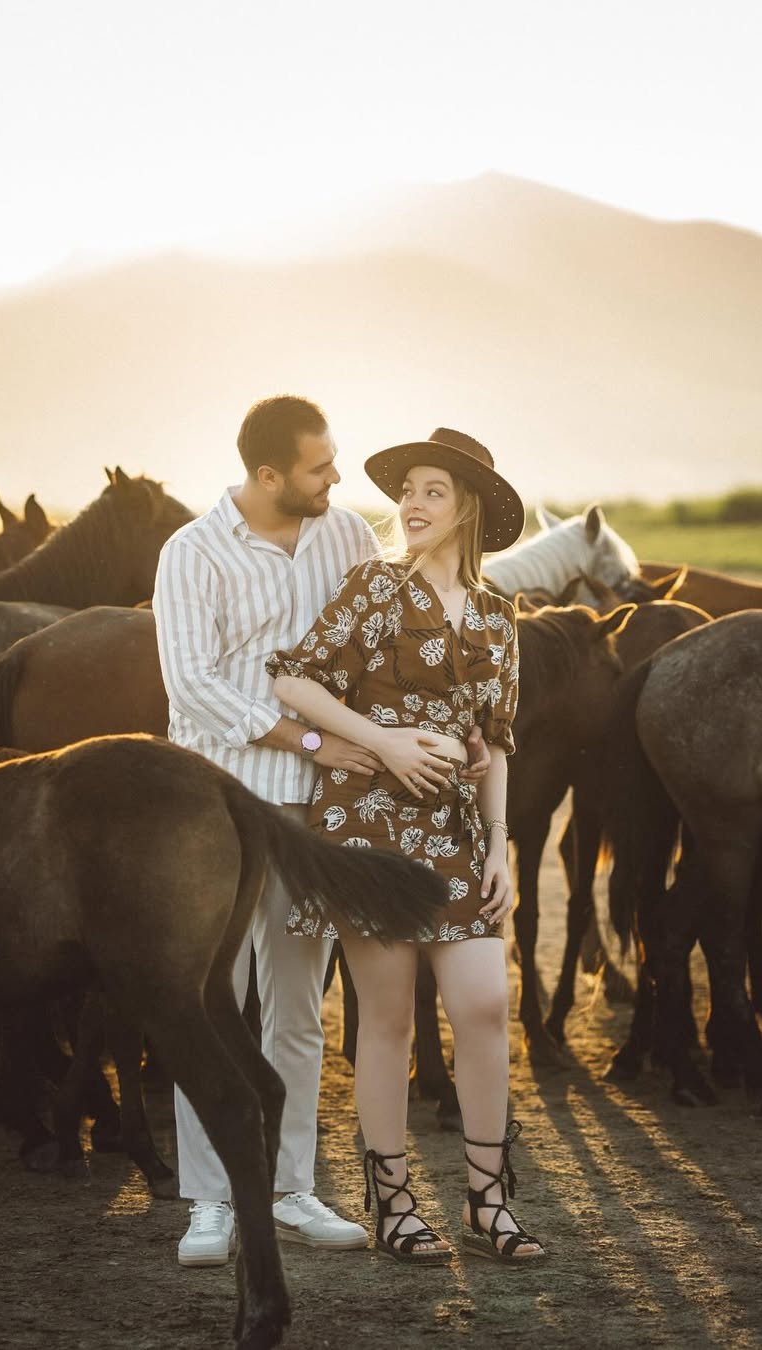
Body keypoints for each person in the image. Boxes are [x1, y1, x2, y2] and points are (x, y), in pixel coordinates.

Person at [152, 398, 490, 1267]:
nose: (337, 479)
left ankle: (291, 1185)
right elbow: (196, 688)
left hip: (321, 813)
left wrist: (443, 727)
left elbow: (382, 642)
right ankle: (212, 1200)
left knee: (298, 1009)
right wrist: (316, 738)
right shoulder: (191, 554)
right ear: (269, 477)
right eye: (318, 467)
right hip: (218, 811)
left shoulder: (346, 539)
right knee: (211, 1005)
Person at [268, 427, 545, 1265]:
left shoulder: (500, 617)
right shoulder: (375, 587)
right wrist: (381, 742)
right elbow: (293, 677)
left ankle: (488, 1205)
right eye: (408, 490)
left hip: (460, 838)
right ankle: (394, 1206)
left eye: (432, 491)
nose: (411, 505)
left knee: (484, 1006)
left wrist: (500, 847)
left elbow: (493, 743)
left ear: (465, 508)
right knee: (385, 1021)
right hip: (367, 829)